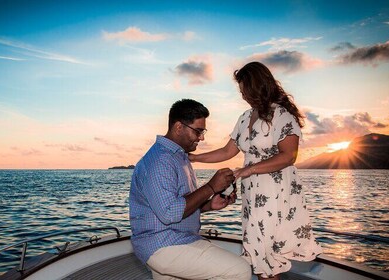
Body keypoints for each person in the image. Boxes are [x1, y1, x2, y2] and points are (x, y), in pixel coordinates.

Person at [189, 62, 322, 280]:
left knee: (265, 257)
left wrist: (249, 170)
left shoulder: (282, 116)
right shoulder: (244, 117)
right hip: (253, 194)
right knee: (261, 253)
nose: (243, 95)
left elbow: (289, 156)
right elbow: (227, 151)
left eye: (245, 89)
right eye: (241, 90)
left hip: (275, 191)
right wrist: (194, 158)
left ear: (258, 86)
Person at [129, 99, 251, 280]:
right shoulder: (160, 160)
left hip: (174, 240)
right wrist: (210, 186)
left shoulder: (179, 157)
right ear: (179, 127)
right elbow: (170, 213)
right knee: (240, 270)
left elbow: (178, 205)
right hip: (164, 244)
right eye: (198, 131)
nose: (202, 137)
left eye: (203, 131)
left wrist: (209, 205)